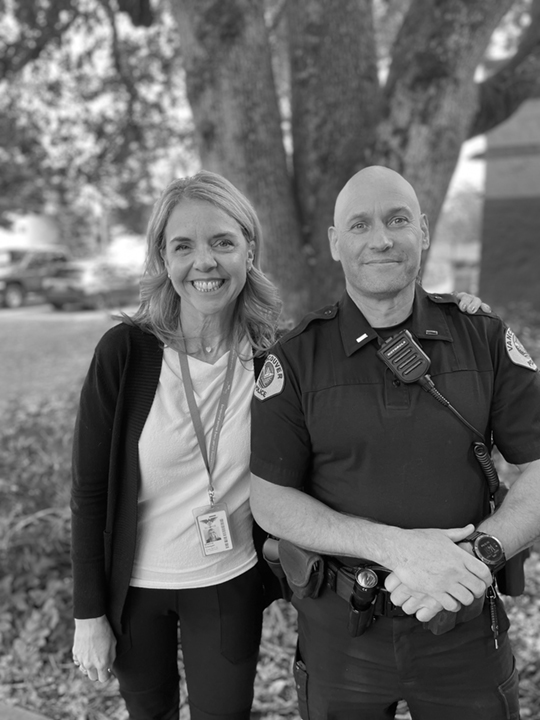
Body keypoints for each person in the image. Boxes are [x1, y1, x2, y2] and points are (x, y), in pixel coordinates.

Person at [250, 165, 540, 720]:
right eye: (359, 225)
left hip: (465, 621)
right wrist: (396, 548)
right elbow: (270, 499)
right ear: (336, 243)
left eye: (397, 219)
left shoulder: (485, 339)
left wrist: (479, 556)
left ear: (424, 231)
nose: (380, 238)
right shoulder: (296, 359)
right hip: (342, 633)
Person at [70, 170, 283, 720]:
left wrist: (448, 308)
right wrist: (88, 615)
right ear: (164, 259)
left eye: (222, 241)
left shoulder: (276, 359)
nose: (203, 262)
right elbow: (89, 492)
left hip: (228, 581)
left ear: (249, 249)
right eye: (182, 246)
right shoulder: (125, 354)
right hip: (136, 591)